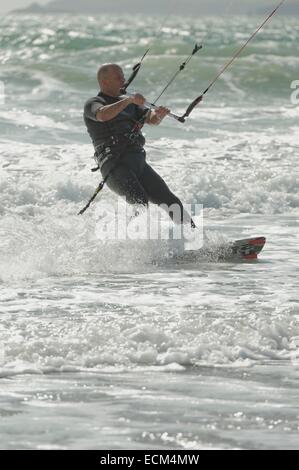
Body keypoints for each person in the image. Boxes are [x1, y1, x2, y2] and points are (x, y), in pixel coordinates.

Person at [83, 63, 194, 226]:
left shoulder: (130, 104)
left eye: (123, 76)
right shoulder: (94, 103)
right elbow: (103, 115)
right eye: (118, 77)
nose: (124, 80)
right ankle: (130, 247)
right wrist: (128, 100)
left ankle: (197, 243)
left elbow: (152, 120)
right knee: (140, 203)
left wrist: (159, 115)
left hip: (138, 163)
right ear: (105, 81)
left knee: (172, 202)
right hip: (114, 166)